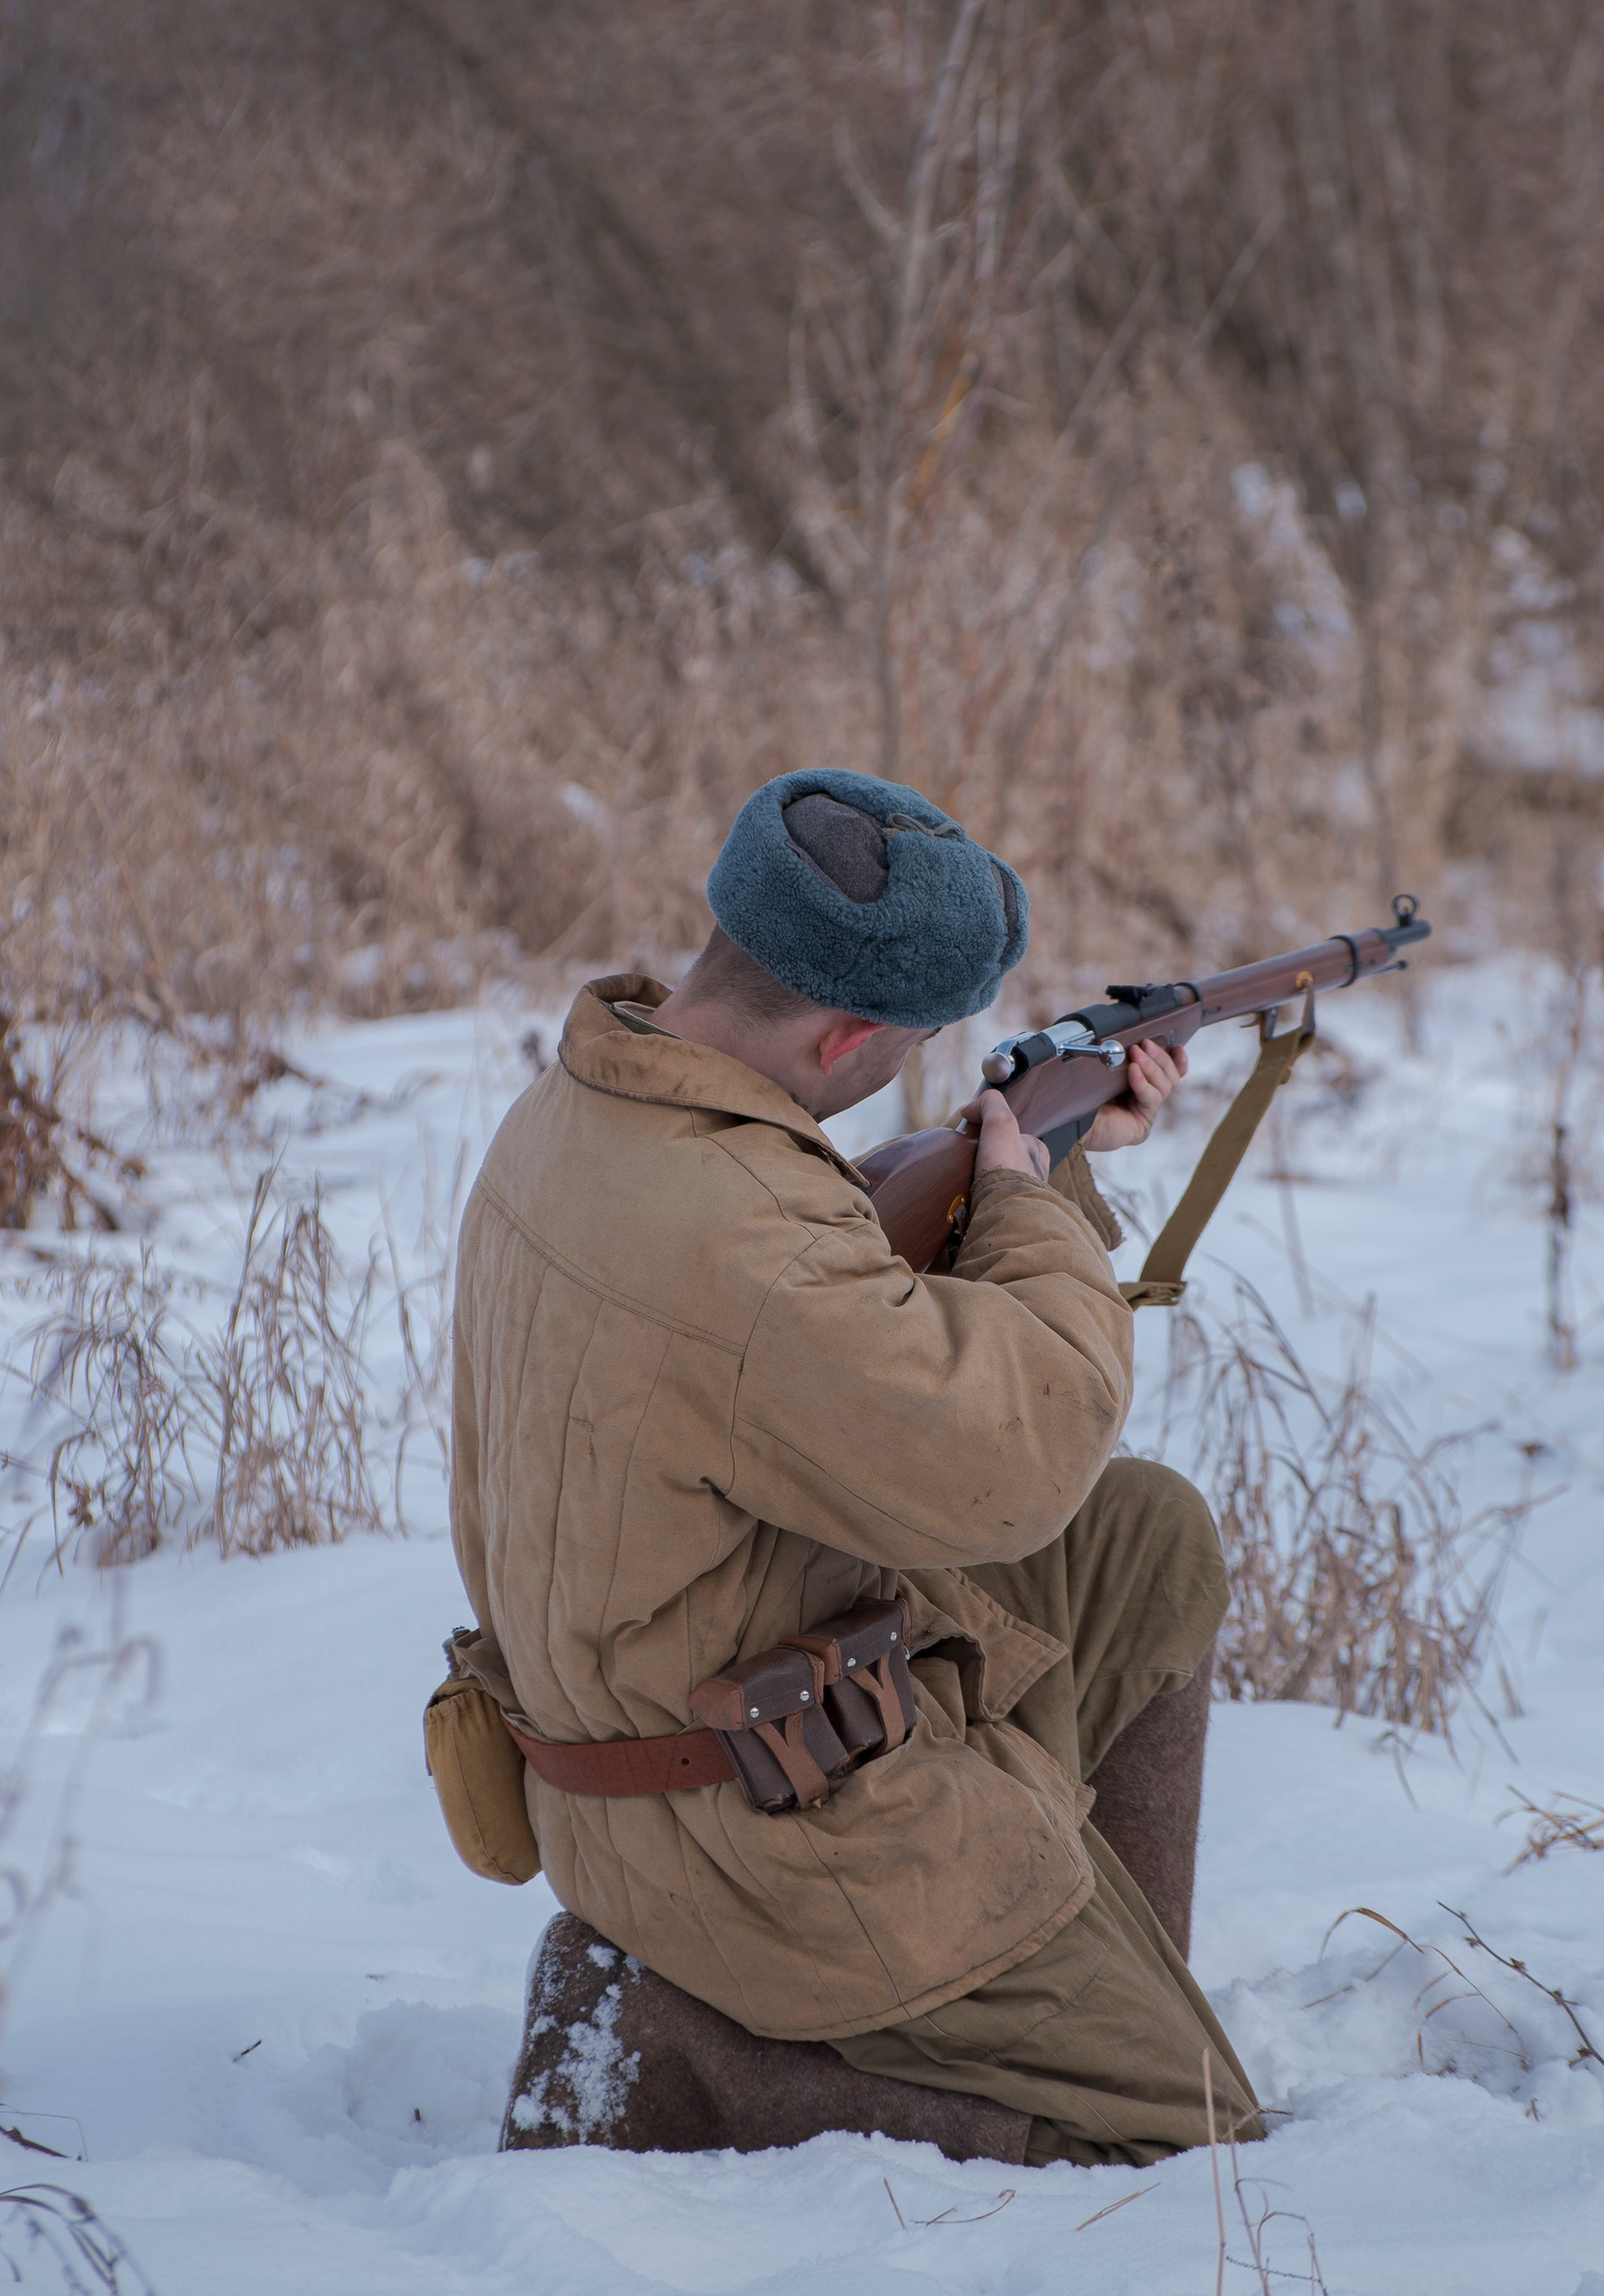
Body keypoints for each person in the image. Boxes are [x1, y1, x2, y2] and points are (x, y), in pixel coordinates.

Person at [448, 766, 1261, 2167]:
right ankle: (685, 2056)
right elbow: (1025, 1450)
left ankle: (1068, 1981)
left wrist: (1050, 1157)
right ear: (843, 1043)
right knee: (1189, 2133)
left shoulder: (584, 1109)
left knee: (1146, 1538)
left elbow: (838, 1323)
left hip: (642, 1764)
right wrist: (1021, 1202)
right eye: (913, 1043)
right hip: (760, 1841)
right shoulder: (744, 1237)